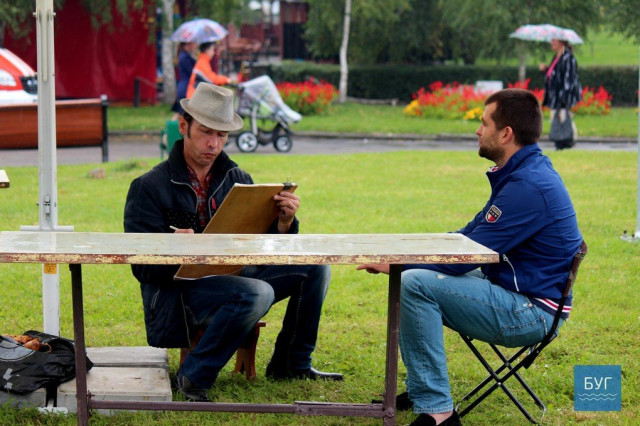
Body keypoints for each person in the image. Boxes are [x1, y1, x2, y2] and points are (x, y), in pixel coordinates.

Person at [357, 89, 582, 426]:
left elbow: (466, 257)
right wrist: (407, 250)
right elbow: (468, 236)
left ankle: (439, 412)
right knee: (413, 278)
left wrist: (396, 264)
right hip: (520, 291)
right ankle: (423, 391)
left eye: (484, 123)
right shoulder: (523, 172)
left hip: (532, 311)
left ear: (505, 134)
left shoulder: (528, 186)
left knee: (414, 283)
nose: (477, 130)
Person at [124, 83, 342, 403]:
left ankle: (291, 363)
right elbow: (142, 268)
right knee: (257, 291)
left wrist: (283, 224)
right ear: (183, 126)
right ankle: (194, 376)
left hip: (237, 276)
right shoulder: (148, 186)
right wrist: (175, 248)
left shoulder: (238, 179)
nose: (213, 143)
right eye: (206, 132)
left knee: (316, 267)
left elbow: (263, 250)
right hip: (179, 293)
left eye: (222, 135)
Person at [539, 38, 582, 149]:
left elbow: (569, 79)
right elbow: (554, 76)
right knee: (558, 119)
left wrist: (564, 98)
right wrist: (545, 70)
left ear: (561, 42)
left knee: (564, 118)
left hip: (563, 97)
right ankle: (561, 142)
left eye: (554, 40)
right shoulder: (557, 57)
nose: (551, 43)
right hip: (556, 96)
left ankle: (568, 141)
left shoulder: (568, 57)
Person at [170, 42, 197, 120]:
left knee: (180, 114)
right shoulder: (185, 57)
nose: (195, 45)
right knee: (180, 113)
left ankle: (170, 128)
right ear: (187, 44)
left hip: (183, 86)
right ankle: (169, 128)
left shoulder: (184, 55)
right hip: (185, 88)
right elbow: (191, 71)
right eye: (193, 43)